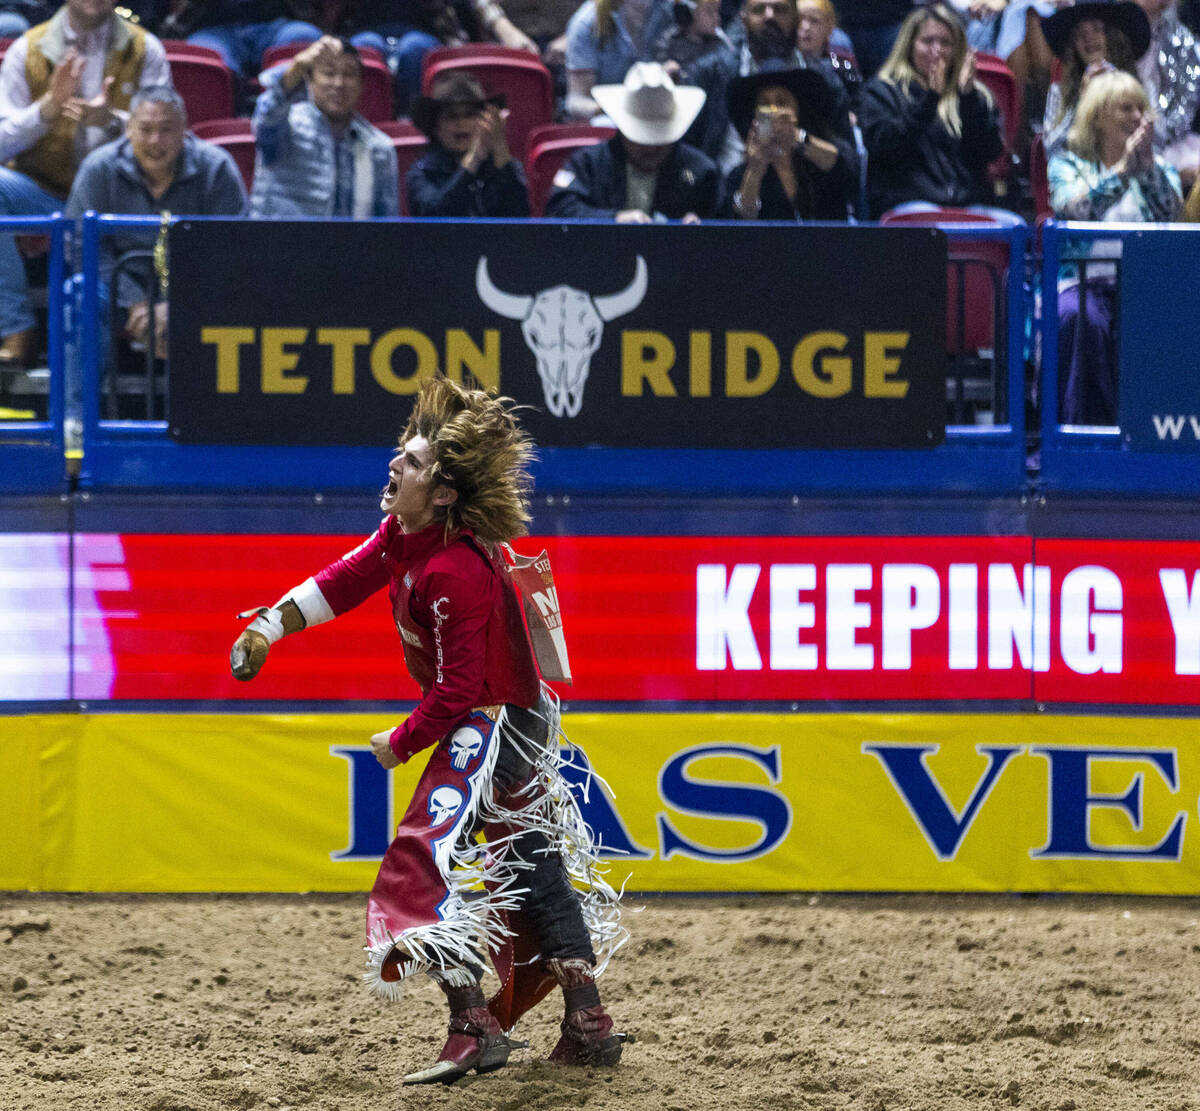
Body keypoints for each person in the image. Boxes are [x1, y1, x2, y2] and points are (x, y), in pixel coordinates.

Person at [228, 376, 626, 1085]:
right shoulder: (407, 537)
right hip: (498, 714)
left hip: (496, 718)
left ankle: (477, 1023)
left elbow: (459, 688)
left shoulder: (453, 572)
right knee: (523, 862)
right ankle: (582, 1019)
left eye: (409, 464)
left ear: (443, 493)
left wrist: (402, 740)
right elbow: (345, 578)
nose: (394, 467)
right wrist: (271, 624)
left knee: (428, 866)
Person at [0, 0, 170, 365]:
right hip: (45, 193)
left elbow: (168, 132)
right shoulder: (26, 49)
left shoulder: (146, 48)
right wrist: (46, 109)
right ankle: (14, 328)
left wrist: (111, 121)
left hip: (118, 199)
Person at [64, 85, 245, 361]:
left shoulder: (217, 169)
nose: (155, 140)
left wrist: (180, 304)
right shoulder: (98, 168)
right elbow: (80, 246)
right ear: (128, 129)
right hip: (121, 290)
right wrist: (136, 302)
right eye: (145, 129)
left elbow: (230, 250)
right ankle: (77, 406)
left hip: (197, 293)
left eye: (166, 130)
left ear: (184, 130)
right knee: (77, 294)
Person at [1048, 68, 1181, 425]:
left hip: (1143, 284)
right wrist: (1122, 172)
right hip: (1081, 280)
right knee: (1079, 317)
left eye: (1141, 108)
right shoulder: (1068, 165)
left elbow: (1173, 213)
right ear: (1099, 117)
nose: (1137, 117)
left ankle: (1148, 431)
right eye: (1126, 108)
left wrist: (1147, 169)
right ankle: (1082, 429)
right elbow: (1073, 209)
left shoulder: (1160, 169)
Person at [858, 2, 1004, 217]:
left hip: (967, 206)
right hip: (907, 202)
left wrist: (969, 99)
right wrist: (930, 100)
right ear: (909, 46)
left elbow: (989, 152)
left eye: (946, 42)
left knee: (1012, 224)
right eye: (928, 41)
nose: (937, 50)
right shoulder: (883, 91)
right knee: (927, 217)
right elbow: (884, 147)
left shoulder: (976, 95)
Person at [685, 0, 859, 175]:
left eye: (780, 9)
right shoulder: (710, 74)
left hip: (807, 193)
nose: (770, 16)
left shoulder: (824, 79)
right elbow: (689, 160)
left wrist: (799, 139)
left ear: (796, 19)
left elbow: (850, 163)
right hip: (729, 191)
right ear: (743, 20)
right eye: (759, 10)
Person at [545, 60, 720, 220]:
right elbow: (559, 209)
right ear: (623, 131)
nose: (651, 150)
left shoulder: (701, 172)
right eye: (641, 141)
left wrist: (700, 228)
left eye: (659, 141)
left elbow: (722, 222)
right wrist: (613, 219)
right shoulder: (588, 164)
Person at [248, 36, 399, 218]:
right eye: (329, 73)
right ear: (309, 81)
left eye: (349, 74)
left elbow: (387, 223)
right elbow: (268, 116)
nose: (339, 83)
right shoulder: (287, 126)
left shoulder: (379, 148)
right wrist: (297, 67)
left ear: (361, 85)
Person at [344, 0, 538, 114]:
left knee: (414, 50)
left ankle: (413, 127)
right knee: (364, 49)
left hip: (427, 33)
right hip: (362, 30)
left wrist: (504, 28)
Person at [722, 62, 856, 217]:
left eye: (782, 102)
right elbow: (740, 224)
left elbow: (846, 167)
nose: (774, 111)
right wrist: (755, 167)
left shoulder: (820, 155)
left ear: (797, 109)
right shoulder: (741, 174)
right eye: (764, 104)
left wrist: (795, 137)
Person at [406, 70, 531, 216]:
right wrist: (473, 161)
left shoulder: (506, 167)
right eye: (452, 116)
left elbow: (521, 215)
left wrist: (500, 146)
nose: (461, 123)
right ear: (436, 127)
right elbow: (434, 219)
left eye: (470, 115)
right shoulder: (422, 173)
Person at [1040, 0, 1151, 158]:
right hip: (1080, 177)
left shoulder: (1140, 86)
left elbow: (1158, 143)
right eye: (1080, 33)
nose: (1089, 38)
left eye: (1097, 29)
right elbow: (1050, 152)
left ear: (1113, 36)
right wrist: (1080, 104)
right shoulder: (1058, 91)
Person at [564, 0, 676, 119]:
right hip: (607, 122)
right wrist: (616, 112)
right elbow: (577, 100)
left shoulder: (666, 9)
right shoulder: (588, 23)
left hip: (661, 117)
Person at [153, 0, 321, 76]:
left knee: (305, 37)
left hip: (274, 26)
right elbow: (178, 20)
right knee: (208, 55)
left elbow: (309, 9)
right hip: (217, 30)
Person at [1132, 0, 1200, 189]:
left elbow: (1186, 101)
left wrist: (1155, 137)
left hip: (1172, 143)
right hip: (1118, 141)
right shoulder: (1114, 35)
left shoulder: (1181, 38)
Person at [654, 0, 733, 77]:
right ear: (692, 12)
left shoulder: (719, 45)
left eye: (717, 12)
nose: (717, 18)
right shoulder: (671, 38)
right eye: (710, 12)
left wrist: (681, 73)